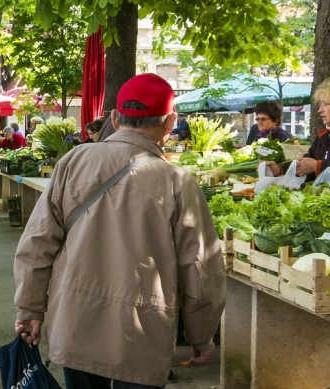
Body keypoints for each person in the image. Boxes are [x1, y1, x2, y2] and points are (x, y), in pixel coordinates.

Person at [12, 73, 226, 388]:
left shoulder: (73, 162)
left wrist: (29, 307)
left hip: (75, 321)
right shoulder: (178, 183)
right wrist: (201, 334)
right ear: (170, 122)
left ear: (114, 117)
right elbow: (200, 267)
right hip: (141, 329)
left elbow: (38, 242)